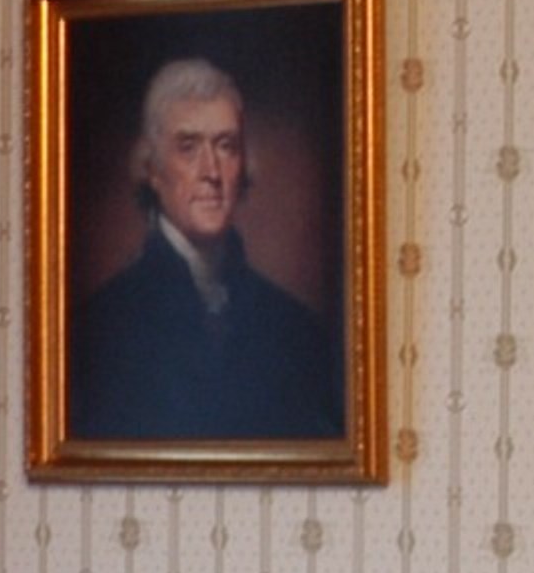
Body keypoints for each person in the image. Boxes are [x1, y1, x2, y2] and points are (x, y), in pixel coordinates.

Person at [64, 52, 346, 444]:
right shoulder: (99, 330)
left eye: (226, 146)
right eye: (188, 147)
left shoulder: (297, 333)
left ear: (243, 165)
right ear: (152, 168)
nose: (211, 172)